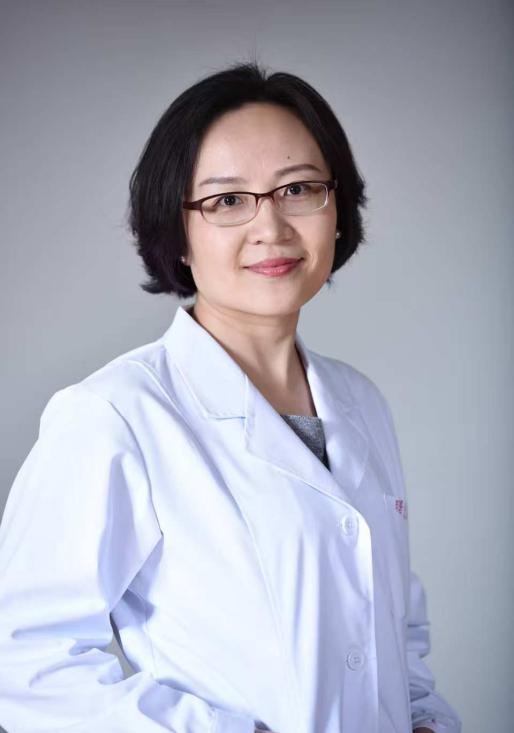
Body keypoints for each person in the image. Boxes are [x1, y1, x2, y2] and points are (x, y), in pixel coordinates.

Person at [0, 61, 461, 733]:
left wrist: (422, 719)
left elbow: (392, 628)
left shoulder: (361, 404)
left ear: (337, 210)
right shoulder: (115, 415)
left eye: (298, 189)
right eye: (226, 201)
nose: (271, 228)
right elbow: (24, 664)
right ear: (178, 233)